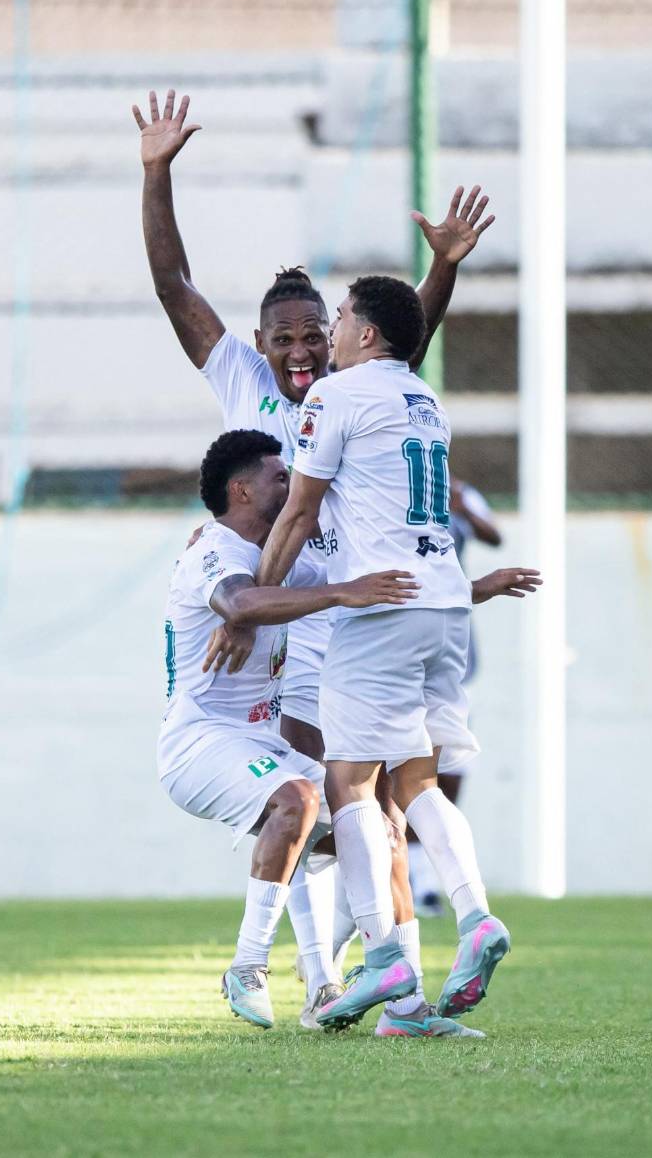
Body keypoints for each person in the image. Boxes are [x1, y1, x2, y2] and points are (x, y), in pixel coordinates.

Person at [131, 87, 493, 1031]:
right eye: (283, 338)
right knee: (329, 806)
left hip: (353, 616)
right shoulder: (246, 388)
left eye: (309, 336)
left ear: (335, 340)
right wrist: (157, 173)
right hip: (301, 630)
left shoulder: (356, 387)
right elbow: (176, 289)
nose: (299, 352)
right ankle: (332, 977)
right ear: (258, 346)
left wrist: (440, 268)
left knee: (364, 813)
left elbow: (413, 329)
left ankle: (379, 984)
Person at [256, 276, 541, 1036]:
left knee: (350, 784)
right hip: (446, 606)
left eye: (342, 318)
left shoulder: (336, 397)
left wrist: (256, 603)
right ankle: (475, 915)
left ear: (368, 335)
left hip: (382, 608)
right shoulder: (424, 399)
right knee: (417, 779)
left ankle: (384, 955)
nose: (333, 330)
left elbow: (298, 511)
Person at [158, 429, 419, 1028]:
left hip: (257, 742)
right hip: (199, 743)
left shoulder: (283, 560)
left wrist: (467, 590)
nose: (293, 482)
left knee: (375, 837)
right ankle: (247, 967)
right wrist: (339, 594)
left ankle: (356, 983)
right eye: (281, 477)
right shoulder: (214, 552)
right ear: (241, 489)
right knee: (298, 800)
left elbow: (361, 583)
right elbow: (242, 605)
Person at [407, 475, 501, 917]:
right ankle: (412, 880)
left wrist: (462, 504)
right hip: (402, 650)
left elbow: (494, 535)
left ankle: (428, 879)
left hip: (456, 655)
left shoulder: (459, 491)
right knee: (403, 766)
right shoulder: (388, 482)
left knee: (452, 768)